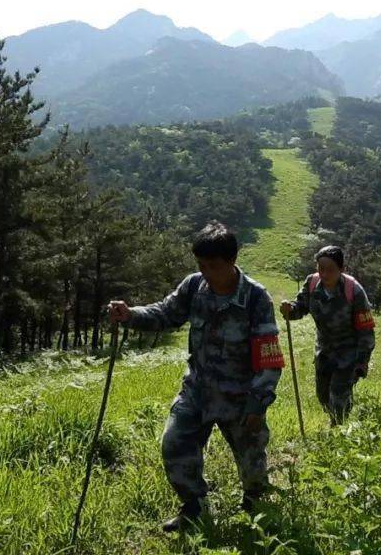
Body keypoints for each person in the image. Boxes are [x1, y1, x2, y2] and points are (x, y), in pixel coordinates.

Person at [108, 222, 282, 533]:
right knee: (174, 446)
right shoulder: (193, 286)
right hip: (198, 390)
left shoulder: (255, 298)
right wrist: (131, 314)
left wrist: (258, 404)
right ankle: (194, 508)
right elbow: (166, 313)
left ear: (231, 261)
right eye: (200, 264)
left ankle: (256, 513)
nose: (205, 272)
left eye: (212, 266)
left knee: (253, 466)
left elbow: (269, 357)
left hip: (241, 397)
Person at [280, 245, 375, 426]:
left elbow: (366, 329)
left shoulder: (354, 291)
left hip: (349, 353)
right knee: (323, 396)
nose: (324, 274)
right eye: (320, 268)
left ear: (342, 269)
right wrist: (289, 309)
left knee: (338, 396)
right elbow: (300, 308)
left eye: (330, 269)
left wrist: (362, 361)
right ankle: (337, 419)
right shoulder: (312, 283)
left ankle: (338, 433)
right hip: (324, 351)